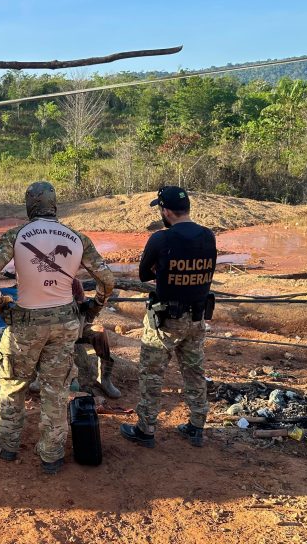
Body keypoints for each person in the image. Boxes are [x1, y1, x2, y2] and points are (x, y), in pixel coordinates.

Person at [0, 181, 114, 474]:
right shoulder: (77, 237)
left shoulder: (17, 235)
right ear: (54, 205)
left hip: (26, 324)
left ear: (30, 205)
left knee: (13, 381)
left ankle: (7, 445)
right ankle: (51, 455)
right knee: (56, 389)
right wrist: (93, 308)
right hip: (65, 323)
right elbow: (108, 280)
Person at [120, 186, 217, 449]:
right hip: (197, 319)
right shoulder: (208, 236)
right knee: (194, 372)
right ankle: (197, 426)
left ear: (165, 210)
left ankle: (146, 429)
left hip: (165, 320)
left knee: (152, 374)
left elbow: (143, 274)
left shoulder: (161, 239)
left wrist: (163, 269)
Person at [29, 278, 121, 398]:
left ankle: (104, 379)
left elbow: (84, 311)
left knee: (99, 332)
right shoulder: (42, 281)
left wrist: (87, 305)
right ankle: (40, 376)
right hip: (49, 329)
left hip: (74, 326)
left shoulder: (74, 282)